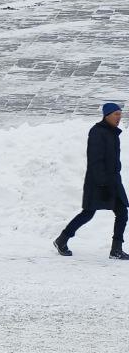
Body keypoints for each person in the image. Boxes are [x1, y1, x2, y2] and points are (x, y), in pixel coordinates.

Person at [53, 103, 129, 260]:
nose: (119, 117)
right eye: (116, 114)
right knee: (88, 213)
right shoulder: (97, 132)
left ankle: (116, 250)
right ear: (106, 115)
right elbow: (95, 161)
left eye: (120, 114)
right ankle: (62, 239)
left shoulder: (113, 133)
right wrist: (103, 184)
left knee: (122, 212)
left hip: (113, 181)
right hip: (98, 182)